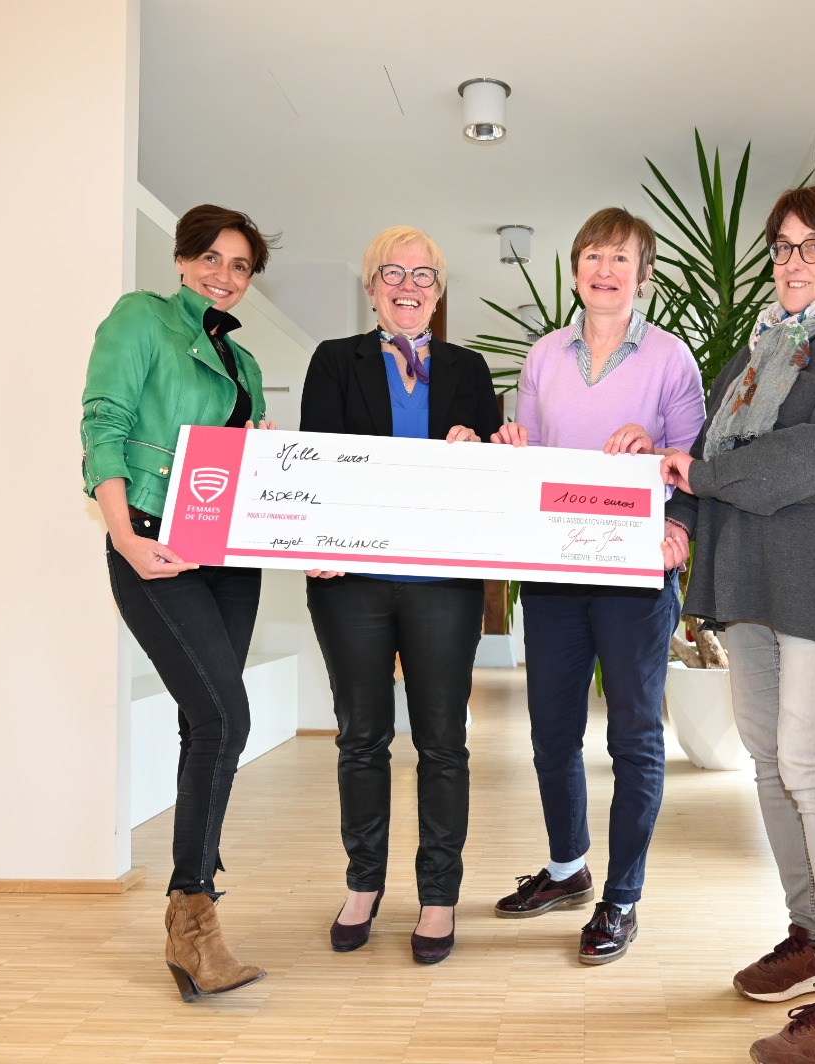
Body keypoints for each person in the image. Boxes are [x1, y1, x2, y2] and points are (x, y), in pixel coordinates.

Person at [660, 184, 815, 1064]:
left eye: (814, 247)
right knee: (772, 764)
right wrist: (678, 507)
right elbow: (705, 455)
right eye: (782, 247)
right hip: (751, 582)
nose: (792, 262)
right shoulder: (758, 347)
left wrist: (701, 478)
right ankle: (814, 937)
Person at [489, 207, 704, 964]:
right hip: (553, 573)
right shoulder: (543, 356)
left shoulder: (671, 358)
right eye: (592, 256)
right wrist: (511, 444)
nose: (604, 270)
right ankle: (567, 869)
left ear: (643, 274)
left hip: (634, 573)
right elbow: (530, 460)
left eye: (620, 258)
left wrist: (666, 480)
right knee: (551, 730)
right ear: (576, 269)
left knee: (634, 737)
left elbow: (693, 464)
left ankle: (622, 897)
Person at [80, 203, 279, 1002]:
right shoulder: (142, 319)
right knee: (227, 718)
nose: (223, 276)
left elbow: (235, 470)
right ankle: (193, 918)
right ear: (183, 257)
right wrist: (124, 536)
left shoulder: (245, 363)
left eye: (240, 266)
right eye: (212, 258)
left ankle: (191, 914)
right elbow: (104, 423)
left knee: (207, 720)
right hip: (155, 544)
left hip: (229, 557)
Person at [300, 226, 502, 965]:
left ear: (439, 293)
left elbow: (495, 477)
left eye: (424, 275)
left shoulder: (470, 369)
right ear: (371, 287)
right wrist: (311, 538)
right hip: (350, 583)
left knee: (443, 742)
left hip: (443, 583)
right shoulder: (334, 360)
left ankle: (439, 896)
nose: (408, 286)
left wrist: (481, 453)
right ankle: (363, 886)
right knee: (361, 738)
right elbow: (316, 462)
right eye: (393, 272)